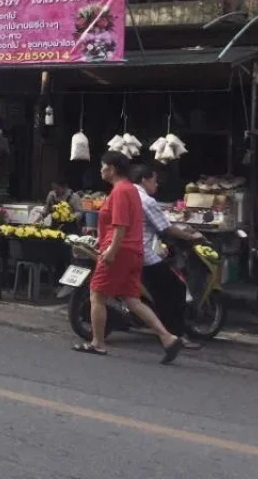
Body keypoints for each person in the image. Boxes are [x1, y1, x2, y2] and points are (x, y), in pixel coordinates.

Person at [73, 152, 184, 363]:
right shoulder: (131, 190)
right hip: (133, 252)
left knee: (97, 295)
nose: (101, 170)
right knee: (132, 300)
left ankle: (97, 343)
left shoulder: (120, 191)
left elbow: (121, 225)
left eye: (103, 166)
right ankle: (168, 338)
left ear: (112, 169)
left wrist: (111, 251)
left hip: (119, 253)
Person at [133, 164, 205, 350]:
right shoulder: (147, 201)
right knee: (177, 289)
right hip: (143, 254)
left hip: (127, 250)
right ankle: (176, 334)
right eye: (154, 181)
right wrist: (190, 236)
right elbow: (166, 227)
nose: (156, 185)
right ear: (144, 179)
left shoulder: (124, 193)